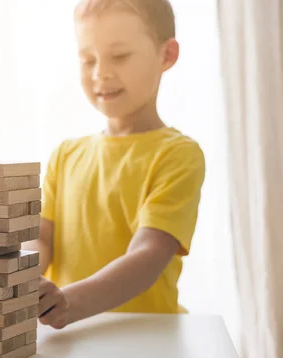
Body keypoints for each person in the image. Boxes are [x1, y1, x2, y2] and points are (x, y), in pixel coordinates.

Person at [30, 0, 206, 329]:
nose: (101, 73)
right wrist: (21, 278)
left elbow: (147, 256)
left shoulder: (178, 155)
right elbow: (41, 238)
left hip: (146, 339)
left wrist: (69, 301)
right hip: (70, 340)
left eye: (120, 56)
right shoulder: (65, 155)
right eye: (88, 60)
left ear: (166, 55)